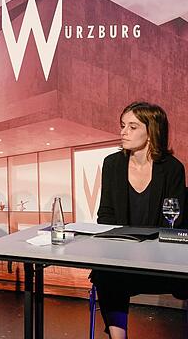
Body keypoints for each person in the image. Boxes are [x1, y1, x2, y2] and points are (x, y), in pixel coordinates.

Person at [92, 102, 188, 339]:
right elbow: (105, 215)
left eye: (132, 127)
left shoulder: (172, 168)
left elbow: (174, 222)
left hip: (160, 260)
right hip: (122, 255)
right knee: (105, 272)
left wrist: (148, 248)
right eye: (123, 125)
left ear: (151, 131)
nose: (123, 132)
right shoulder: (112, 164)